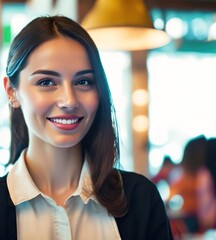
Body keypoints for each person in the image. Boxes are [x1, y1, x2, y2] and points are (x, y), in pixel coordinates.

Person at [0, 15, 173, 240]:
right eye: (46, 82)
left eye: (83, 82)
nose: (69, 101)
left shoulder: (141, 199)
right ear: (12, 92)